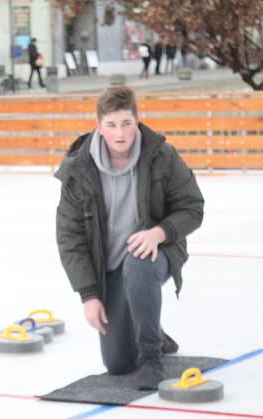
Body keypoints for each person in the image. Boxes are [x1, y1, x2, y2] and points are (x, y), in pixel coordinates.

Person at [54, 85, 204, 390]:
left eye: (126, 123)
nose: (120, 133)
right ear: (99, 127)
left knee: (139, 263)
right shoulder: (78, 169)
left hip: (154, 255)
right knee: (118, 363)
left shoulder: (161, 155)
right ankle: (155, 333)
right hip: (109, 268)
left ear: (137, 121)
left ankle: (151, 357)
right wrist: (88, 294)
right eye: (111, 125)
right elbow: (70, 237)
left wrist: (159, 233)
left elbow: (193, 207)